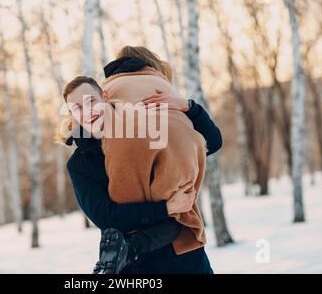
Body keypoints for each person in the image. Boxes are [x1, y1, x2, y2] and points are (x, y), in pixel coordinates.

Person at [63, 71, 220, 273]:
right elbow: (106, 217)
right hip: (133, 263)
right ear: (71, 114)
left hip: (183, 255)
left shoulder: (142, 127)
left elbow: (212, 143)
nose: (87, 111)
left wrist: (188, 107)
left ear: (105, 97)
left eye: (91, 101)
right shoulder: (80, 165)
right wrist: (166, 208)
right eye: (77, 107)